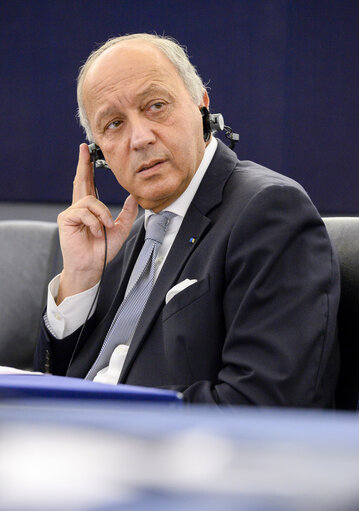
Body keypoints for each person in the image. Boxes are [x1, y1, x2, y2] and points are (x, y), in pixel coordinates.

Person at [34, 33, 340, 406]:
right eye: (114, 124)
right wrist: (80, 278)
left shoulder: (269, 211)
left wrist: (114, 418)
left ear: (200, 104)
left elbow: (263, 403)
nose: (140, 138)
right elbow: (53, 387)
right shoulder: (128, 242)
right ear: (99, 153)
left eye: (156, 106)